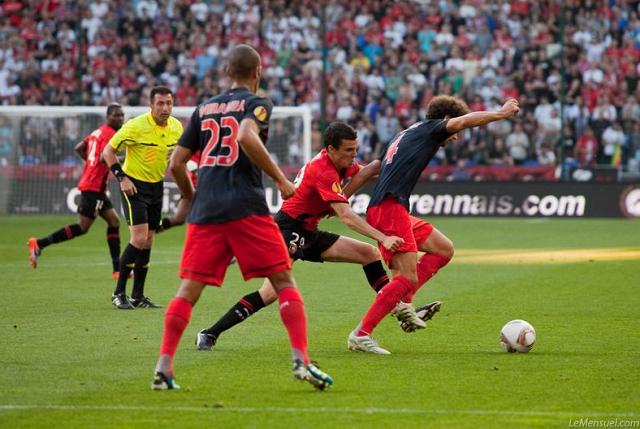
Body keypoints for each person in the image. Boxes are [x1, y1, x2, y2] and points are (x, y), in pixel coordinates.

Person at [151, 44, 333, 391]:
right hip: (246, 207)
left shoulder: (204, 108)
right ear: (258, 71)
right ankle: (301, 362)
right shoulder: (256, 103)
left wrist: (190, 199)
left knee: (188, 290)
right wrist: (280, 179)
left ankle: (163, 368)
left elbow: (176, 163)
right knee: (283, 282)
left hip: (206, 211)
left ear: (225, 72)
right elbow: (246, 135)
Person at [194, 121, 440, 351]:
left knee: (369, 254)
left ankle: (395, 305)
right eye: (348, 150)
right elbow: (346, 216)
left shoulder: (337, 163)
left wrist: (399, 161)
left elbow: (366, 172)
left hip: (308, 232)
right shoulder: (322, 170)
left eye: (355, 149)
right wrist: (383, 236)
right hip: (287, 230)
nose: (352, 155)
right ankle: (210, 333)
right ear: (331, 149)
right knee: (270, 293)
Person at [348, 96, 520, 354]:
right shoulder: (432, 129)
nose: (456, 137)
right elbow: (464, 121)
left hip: (391, 209)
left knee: (443, 249)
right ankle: (361, 334)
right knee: (406, 277)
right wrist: (501, 114)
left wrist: (340, 198)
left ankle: (403, 303)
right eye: (456, 132)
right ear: (447, 120)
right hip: (389, 209)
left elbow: (371, 169)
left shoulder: (405, 134)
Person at [103, 86, 183, 309]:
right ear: (151, 105)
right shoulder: (135, 126)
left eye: (169, 103)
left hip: (156, 187)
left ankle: (138, 295)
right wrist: (122, 178)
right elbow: (107, 152)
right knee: (138, 239)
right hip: (133, 186)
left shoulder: (176, 127)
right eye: (160, 103)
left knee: (148, 240)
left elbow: (181, 155)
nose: (165, 108)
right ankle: (118, 293)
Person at [27, 103, 125, 279]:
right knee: (82, 227)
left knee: (114, 222)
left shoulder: (98, 131)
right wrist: (123, 159)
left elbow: (79, 147)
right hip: (93, 186)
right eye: (116, 115)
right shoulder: (110, 134)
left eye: (122, 115)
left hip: (96, 187)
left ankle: (117, 270)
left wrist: (90, 163)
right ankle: (39, 244)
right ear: (108, 116)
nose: (120, 118)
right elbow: (105, 157)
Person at [156, 152, 200, 233]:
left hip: (203, 191)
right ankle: (152, 229)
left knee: (180, 218)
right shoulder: (190, 153)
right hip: (191, 190)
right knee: (179, 218)